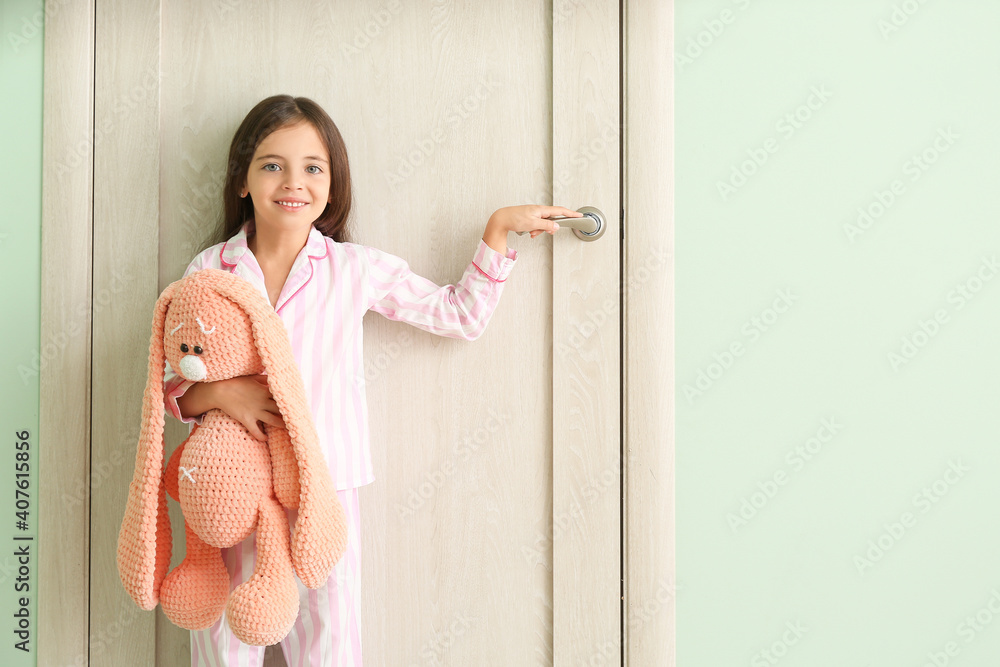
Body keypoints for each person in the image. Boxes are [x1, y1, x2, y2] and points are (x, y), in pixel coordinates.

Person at [160, 94, 581, 666]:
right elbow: (172, 378)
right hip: (232, 484)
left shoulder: (352, 269)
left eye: (313, 167)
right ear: (242, 180)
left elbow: (459, 315)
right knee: (224, 642)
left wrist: (499, 232)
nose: (293, 181)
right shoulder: (210, 270)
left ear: (332, 187)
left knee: (330, 644)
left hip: (326, 485)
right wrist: (224, 394)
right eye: (272, 164)